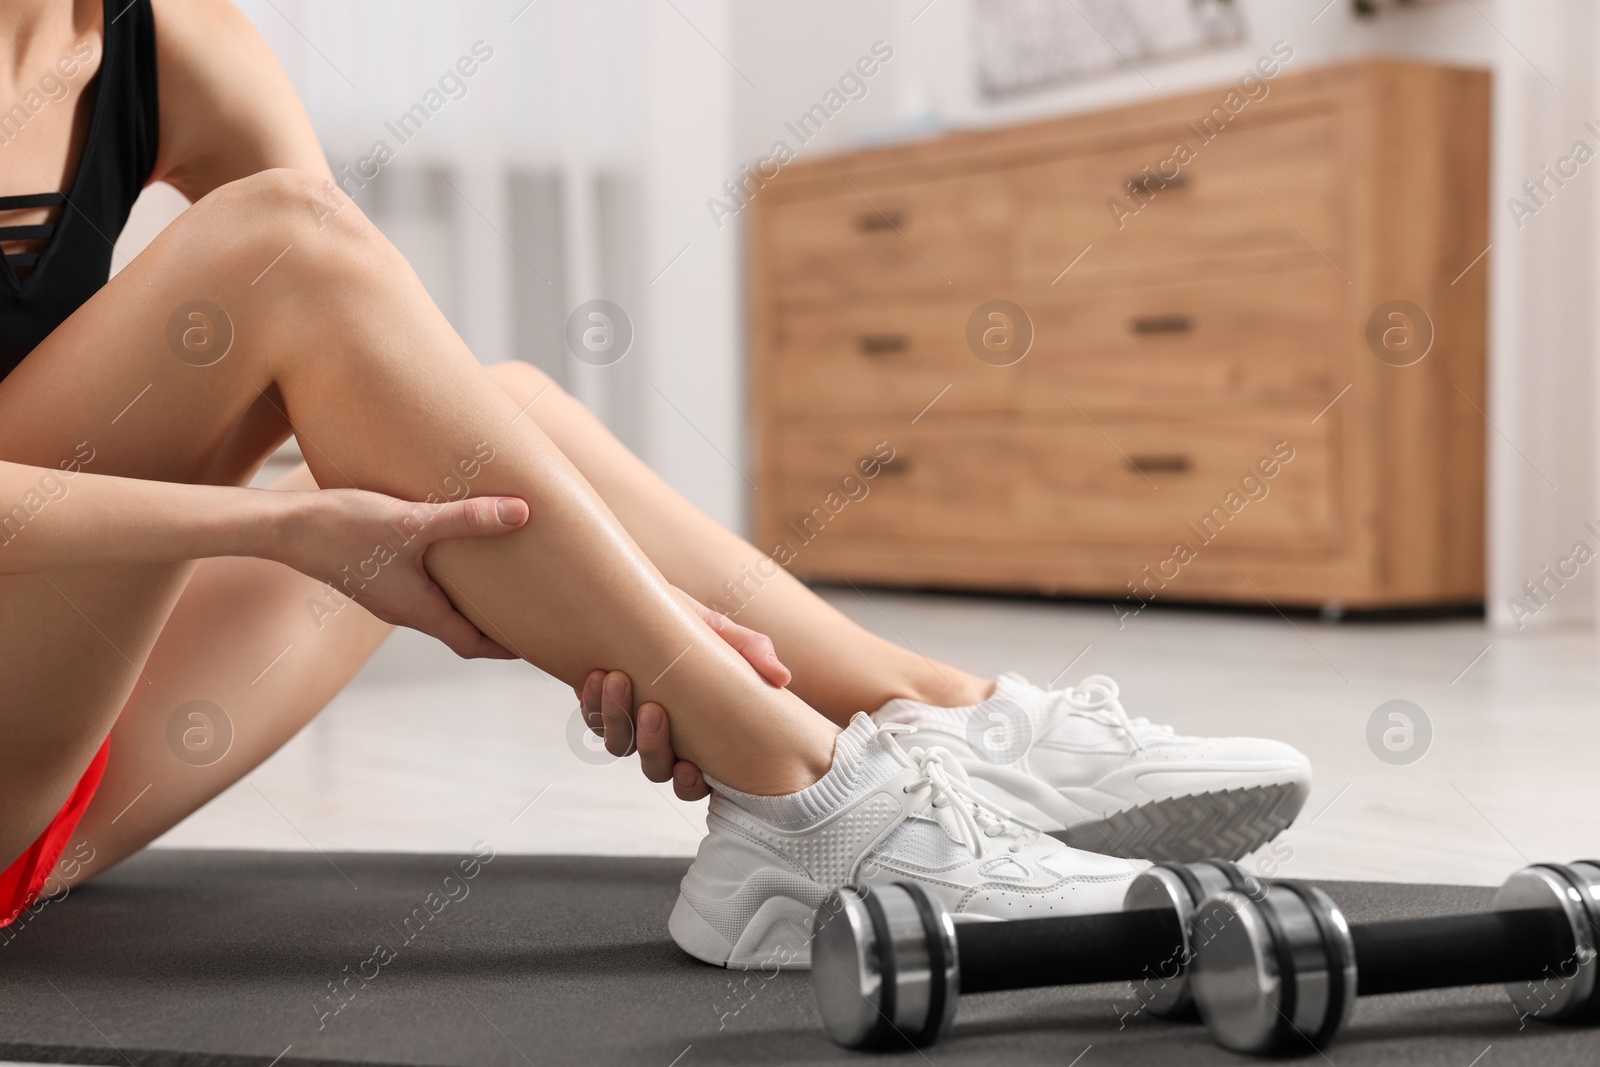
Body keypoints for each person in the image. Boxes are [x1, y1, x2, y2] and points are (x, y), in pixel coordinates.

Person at [0, 0, 1311, 967]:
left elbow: (378, 383)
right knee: (284, 243)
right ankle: (803, 794)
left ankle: (940, 717)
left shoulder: (174, 44)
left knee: (492, 398)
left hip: (51, 777)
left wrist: (657, 632)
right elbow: (301, 286)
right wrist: (284, 527)